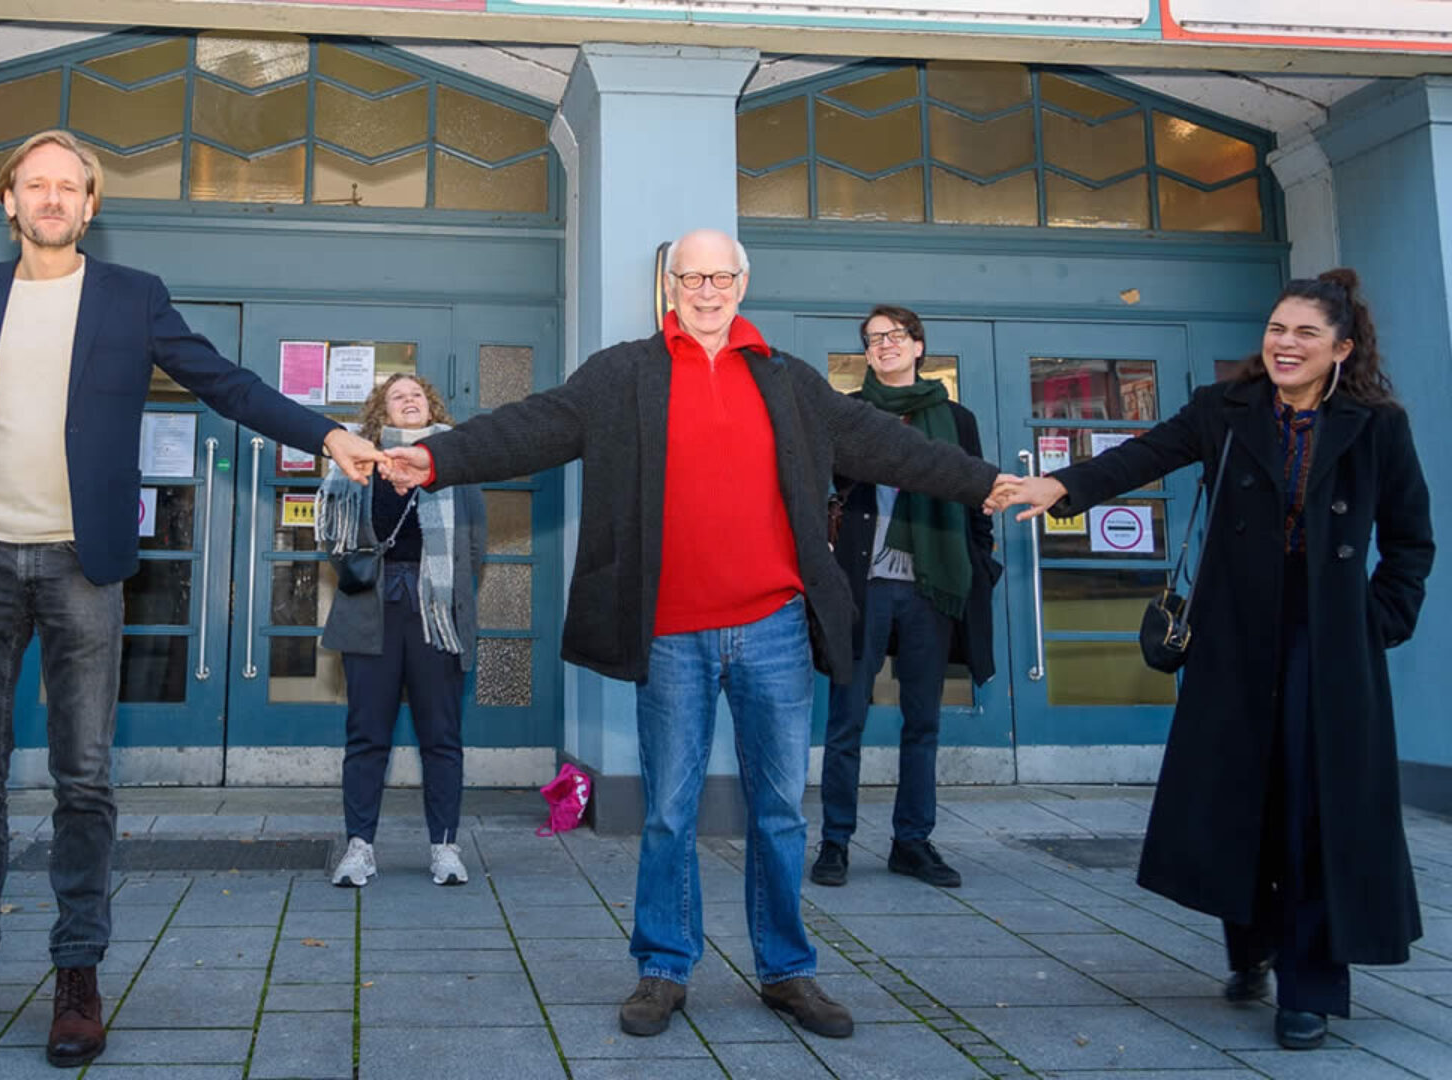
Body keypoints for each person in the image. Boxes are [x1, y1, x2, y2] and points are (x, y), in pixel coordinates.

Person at [379, 229, 1015, 1040]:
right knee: (671, 813)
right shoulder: (626, 374)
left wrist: (984, 480)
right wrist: (431, 460)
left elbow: (890, 447)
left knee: (781, 810)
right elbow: (532, 425)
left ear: (743, 283)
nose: (706, 289)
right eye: (691, 276)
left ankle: (787, 970)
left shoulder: (788, 381)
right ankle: (664, 968)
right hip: (672, 633)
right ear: (669, 285)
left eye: (720, 275)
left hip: (774, 627)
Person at [0, 129, 386, 1068]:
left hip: (85, 560)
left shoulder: (131, 296)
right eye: (34, 185)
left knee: (84, 779)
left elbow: (225, 384)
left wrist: (326, 437)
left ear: (90, 205)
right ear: (9, 200)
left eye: (68, 187)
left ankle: (77, 974)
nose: (50, 199)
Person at [993, 270, 1433, 1051]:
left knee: (1316, 803)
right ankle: (1252, 939)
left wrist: (1379, 621)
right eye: (1276, 329)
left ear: (1341, 348)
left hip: (1330, 643)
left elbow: (1410, 540)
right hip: (1235, 636)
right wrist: (1060, 483)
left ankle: (1311, 984)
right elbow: (1142, 457)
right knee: (1244, 791)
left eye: (1304, 333)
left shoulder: (1375, 425)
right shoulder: (1224, 410)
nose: (1285, 344)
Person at [814, 306, 1000, 890]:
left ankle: (912, 841)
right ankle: (835, 841)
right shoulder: (846, 413)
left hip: (931, 587)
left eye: (895, 336)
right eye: (873, 340)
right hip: (860, 585)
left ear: (919, 346)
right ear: (865, 354)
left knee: (922, 722)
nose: (884, 345)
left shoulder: (957, 419)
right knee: (846, 720)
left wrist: (981, 564)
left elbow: (976, 494)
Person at [318, 374, 486, 888]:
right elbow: (337, 541)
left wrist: (443, 595)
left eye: (417, 395)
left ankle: (444, 846)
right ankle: (359, 847)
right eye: (398, 397)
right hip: (373, 608)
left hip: (436, 613)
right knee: (367, 734)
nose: (410, 401)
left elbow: (475, 548)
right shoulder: (358, 466)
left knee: (441, 735)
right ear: (382, 413)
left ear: (430, 405)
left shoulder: (455, 464)